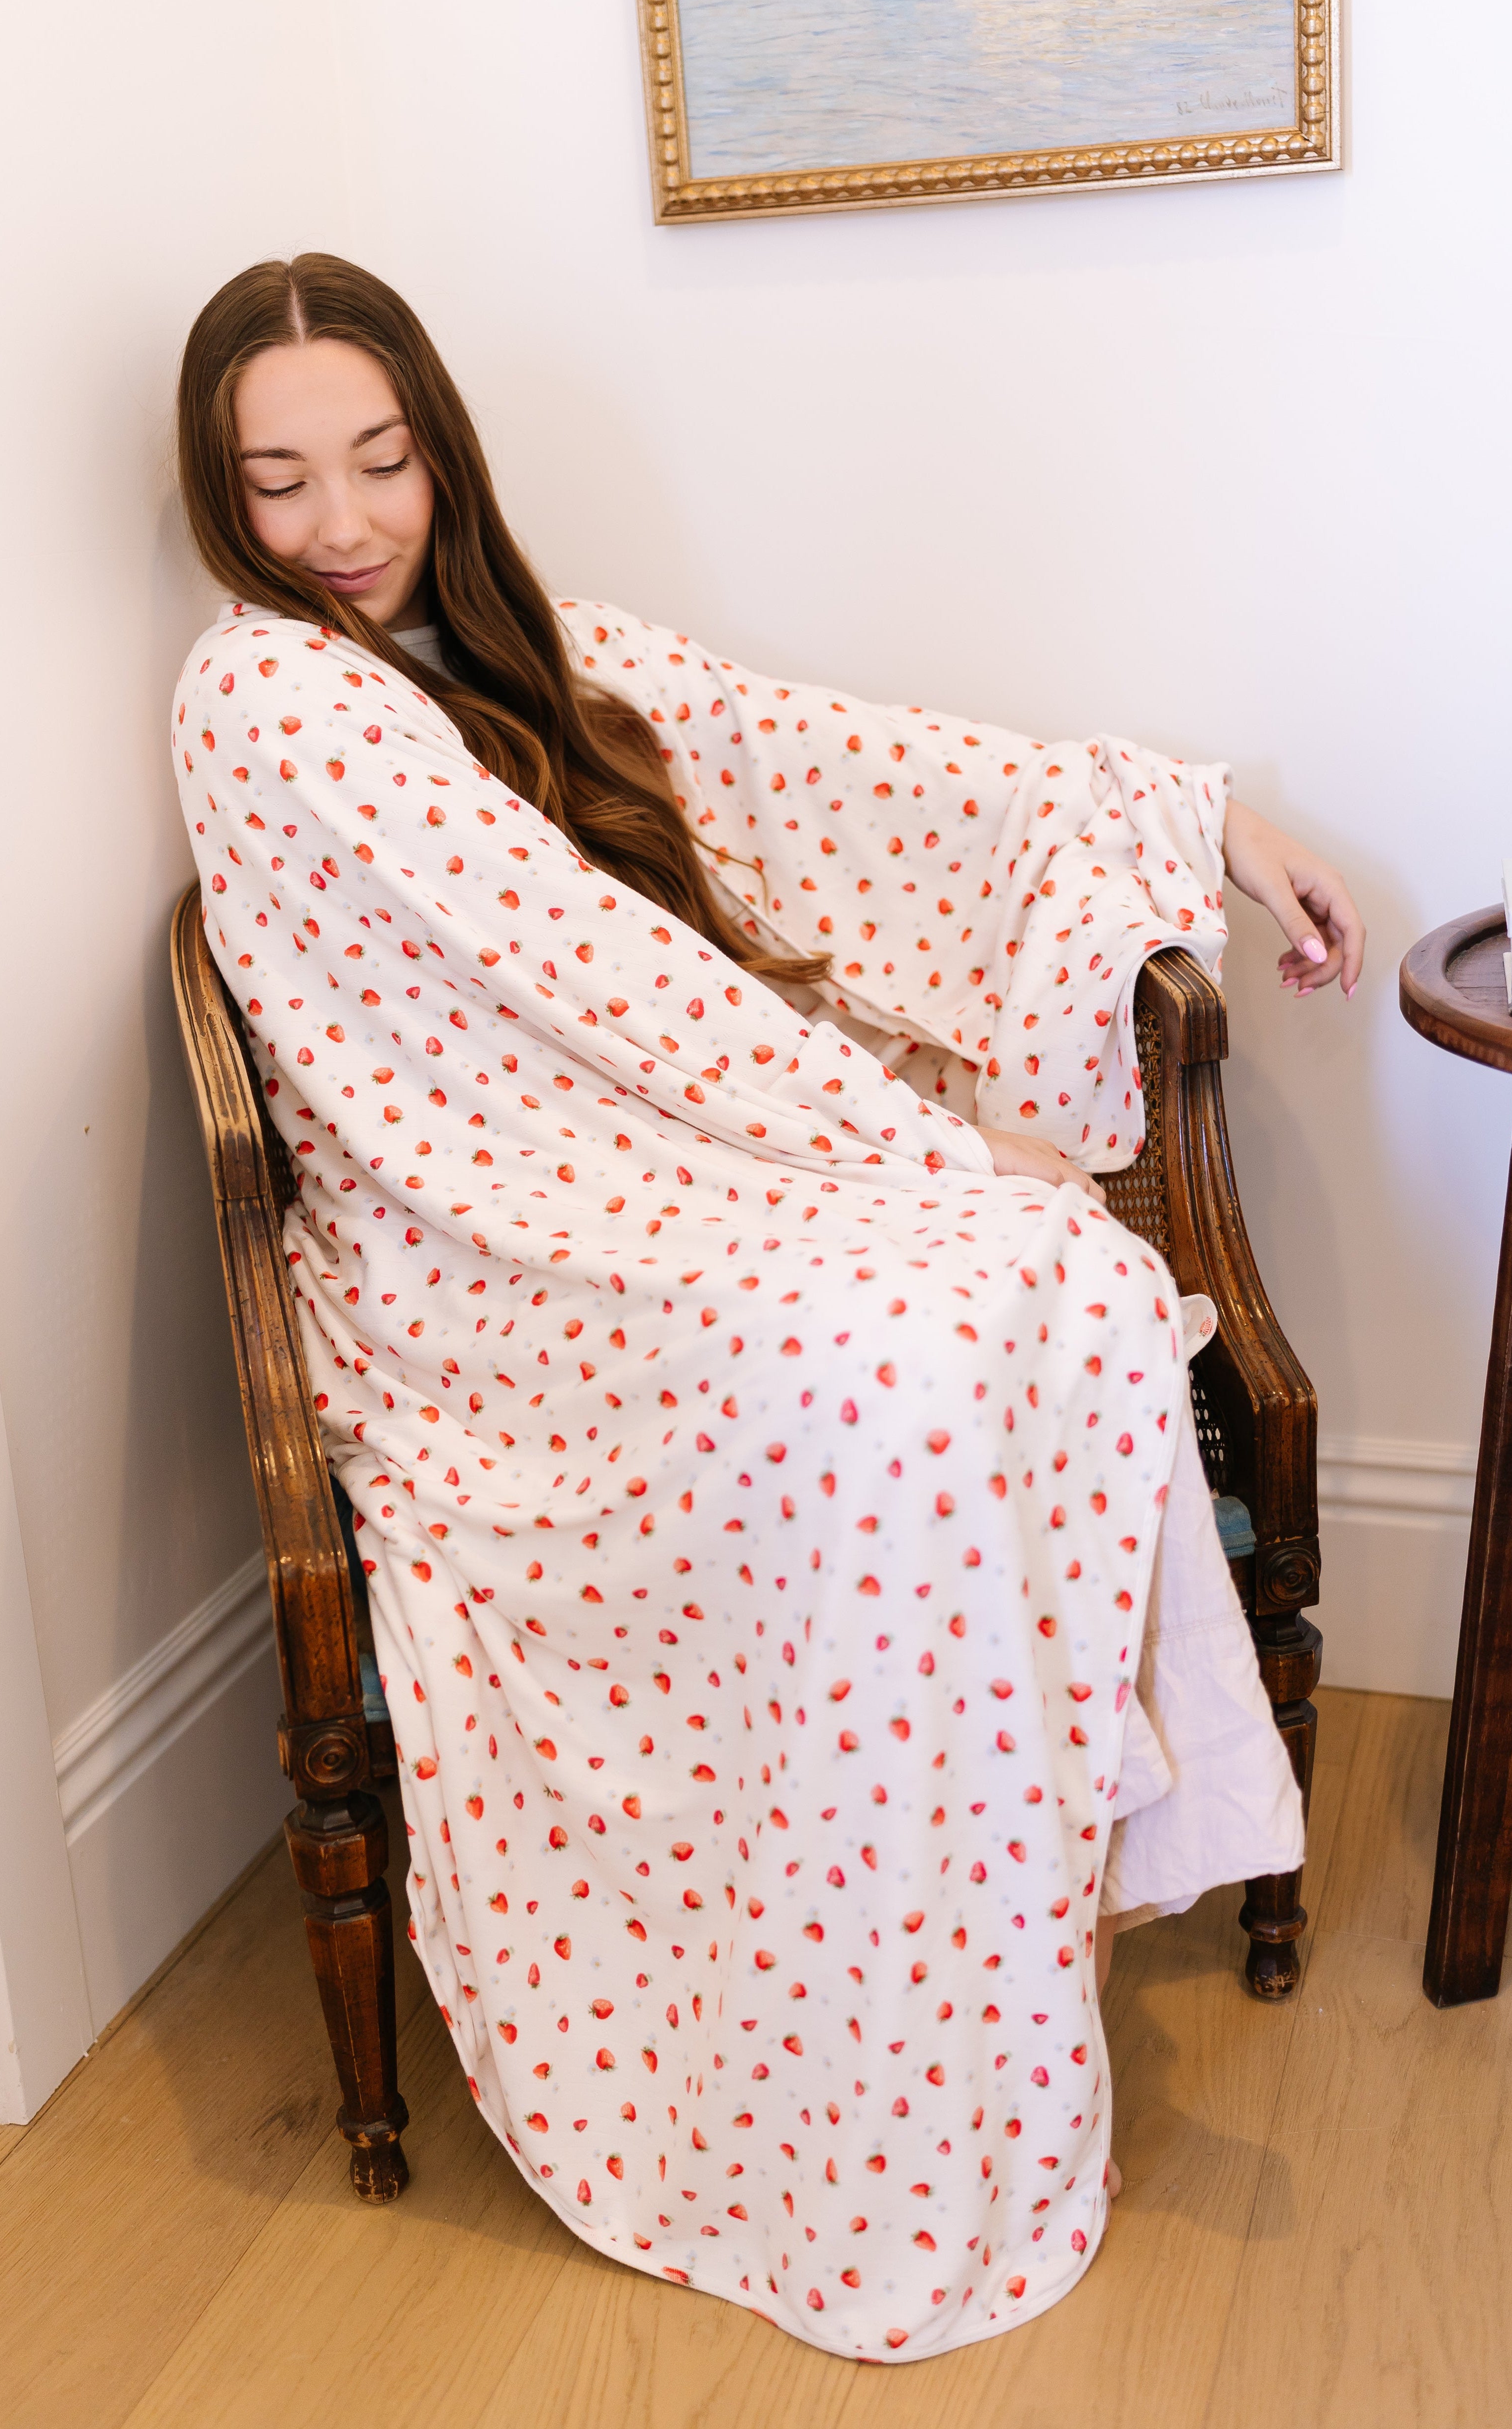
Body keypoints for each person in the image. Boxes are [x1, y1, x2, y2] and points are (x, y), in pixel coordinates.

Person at [173, 254, 1363, 2362]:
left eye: (378, 461)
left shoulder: (514, 654)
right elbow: (579, 977)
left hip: (681, 1183)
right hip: (491, 1258)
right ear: (214, 496)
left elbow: (854, 767)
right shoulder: (263, 697)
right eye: (278, 484)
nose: (341, 524)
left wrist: (1200, 819)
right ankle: (838, 2089)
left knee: (1052, 1289)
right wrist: (902, 1148)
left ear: (441, 455)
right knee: (910, 1330)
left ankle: (981, 1958)